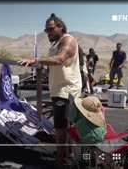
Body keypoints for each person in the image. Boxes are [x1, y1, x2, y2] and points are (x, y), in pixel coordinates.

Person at [18, 13, 82, 168]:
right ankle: (69, 154)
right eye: (46, 30)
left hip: (66, 91)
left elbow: (59, 59)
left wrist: (36, 60)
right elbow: (57, 64)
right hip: (60, 89)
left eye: (51, 29)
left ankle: (59, 162)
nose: (48, 32)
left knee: (60, 129)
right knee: (67, 126)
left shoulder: (67, 40)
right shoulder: (55, 44)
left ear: (61, 27)